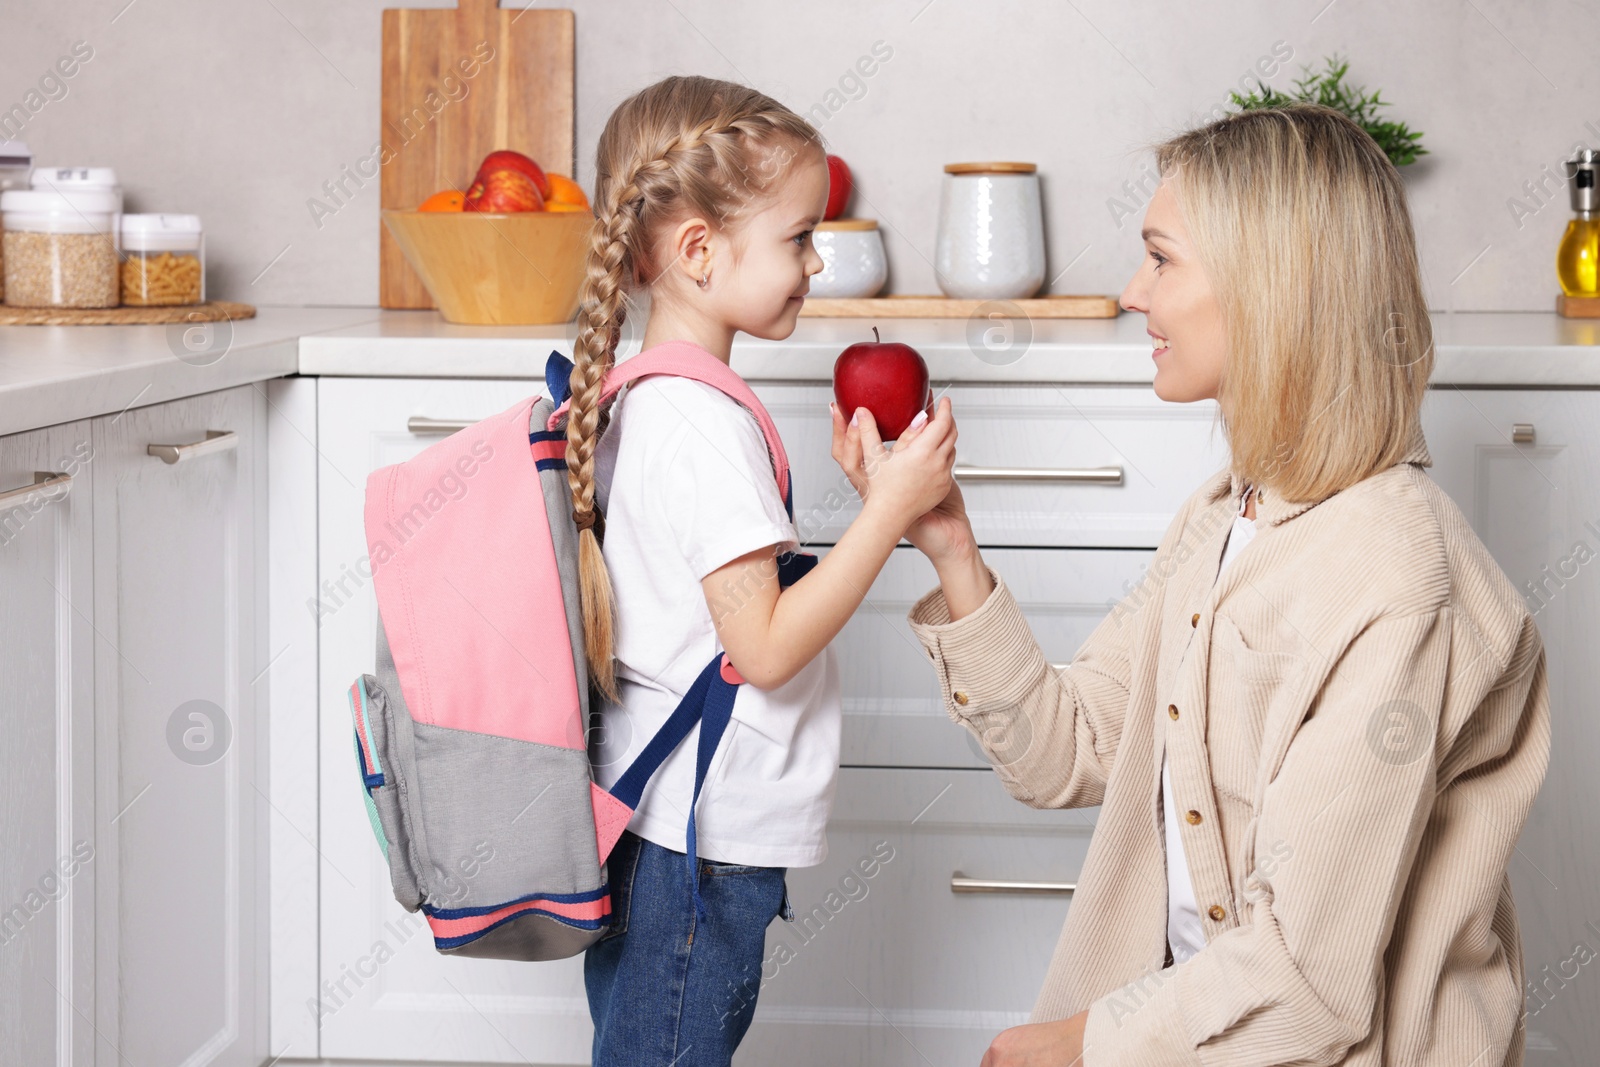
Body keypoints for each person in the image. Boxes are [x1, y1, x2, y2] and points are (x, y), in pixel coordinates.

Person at [834, 103, 1549, 1066]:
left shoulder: (1397, 575)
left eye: (1161, 258)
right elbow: (1068, 752)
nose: (1133, 292)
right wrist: (951, 548)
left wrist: (1077, 1045)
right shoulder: (1225, 517)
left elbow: (1308, 982)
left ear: (1269, 290)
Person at [569, 75, 957, 1067]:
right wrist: (889, 511)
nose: (816, 260)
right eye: (796, 237)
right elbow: (766, 645)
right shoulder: (702, 427)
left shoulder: (649, 394)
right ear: (699, 250)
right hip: (696, 840)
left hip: (656, 819)